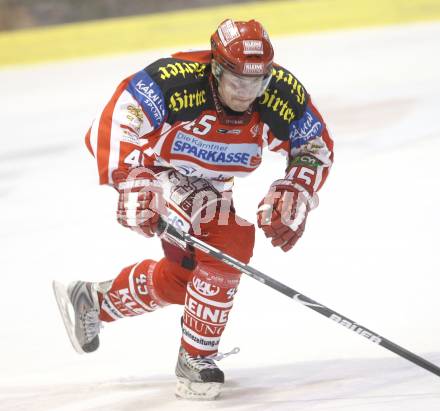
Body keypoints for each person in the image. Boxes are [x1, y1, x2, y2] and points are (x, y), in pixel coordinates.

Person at [53, 18, 334, 400]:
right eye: (237, 81)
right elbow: (115, 120)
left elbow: (313, 146)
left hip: (211, 185)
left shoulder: (280, 95)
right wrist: (133, 175)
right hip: (158, 171)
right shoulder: (176, 81)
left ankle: (95, 301)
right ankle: (196, 359)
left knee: (188, 278)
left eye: (257, 82)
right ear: (216, 68)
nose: (246, 93)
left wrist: (297, 186)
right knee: (231, 243)